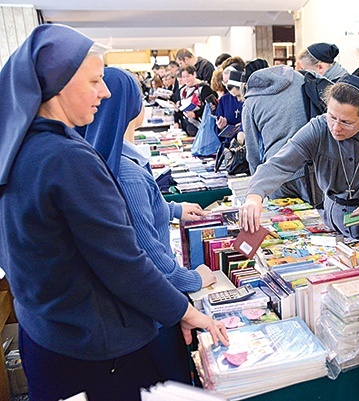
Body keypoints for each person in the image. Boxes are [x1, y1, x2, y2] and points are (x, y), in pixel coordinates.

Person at [0, 24, 228, 401]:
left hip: (47, 333)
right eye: (94, 81)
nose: (104, 93)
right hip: (92, 349)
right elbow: (121, 261)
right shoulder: (67, 159)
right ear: (58, 84)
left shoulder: (22, 146)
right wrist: (183, 311)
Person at [83, 67, 219, 384]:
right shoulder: (125, 171)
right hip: (153, 315)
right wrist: (193, 279)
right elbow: (147, 254)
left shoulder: (115, 156)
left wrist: (172, 208)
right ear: (132, 106)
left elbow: (138, 209)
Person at [239, 74, 359, 247]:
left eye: (346, 122)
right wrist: (255, 195)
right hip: (333, 225)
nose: (336, 128)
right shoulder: (318, 128)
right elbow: (280, 163)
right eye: (332, 117)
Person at [242, 64, 312, 202]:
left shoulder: (251, 101)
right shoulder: (301, 79)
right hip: (310, 167)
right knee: (318, 220)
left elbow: (252, 150)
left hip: (276, 172)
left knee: (282, 221)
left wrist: (259, 183)